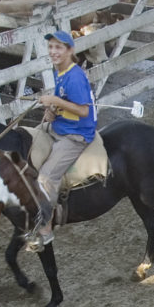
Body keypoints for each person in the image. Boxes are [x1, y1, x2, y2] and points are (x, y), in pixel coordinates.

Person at [26, 29, 96, 247]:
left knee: (45, 178)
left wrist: (55, 100)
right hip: (59, 126)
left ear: (70, 51)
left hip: (76, 135)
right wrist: (52, 110)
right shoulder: (60, 71)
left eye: (58, 47)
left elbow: (83, 111)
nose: (53, 52)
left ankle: (46, 230)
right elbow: (64, 102)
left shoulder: (75, 76)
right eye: (50, 47)